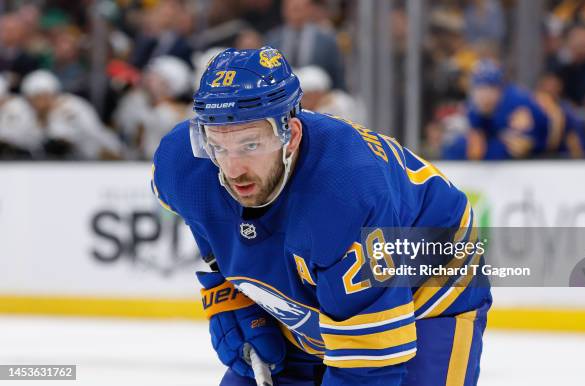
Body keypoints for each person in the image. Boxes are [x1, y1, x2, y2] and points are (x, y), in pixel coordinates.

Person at [152, 47, 491, 386]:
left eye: (250, 145)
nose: (232, 169)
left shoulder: (347, 193)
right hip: (325, 266)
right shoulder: (184, 164)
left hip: (430, 275)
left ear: (291, 135)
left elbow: (370, 365)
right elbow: (204, 221)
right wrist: (230, 292)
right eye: (218, 146)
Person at [442, 60, 550, 160]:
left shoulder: (516, 103)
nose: (483, 95)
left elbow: (520, 147)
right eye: (478, 88)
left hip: (552, 151)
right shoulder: (473, 108)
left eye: (488, 88)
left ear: (499, 89)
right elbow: (475, 147)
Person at [21, 70, 123, 160]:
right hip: (74, 164)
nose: (32, 104)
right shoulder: (35, 114)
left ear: (47, 94)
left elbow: (90, 136)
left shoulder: (72, 107)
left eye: (35, 98)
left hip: (103, 157)